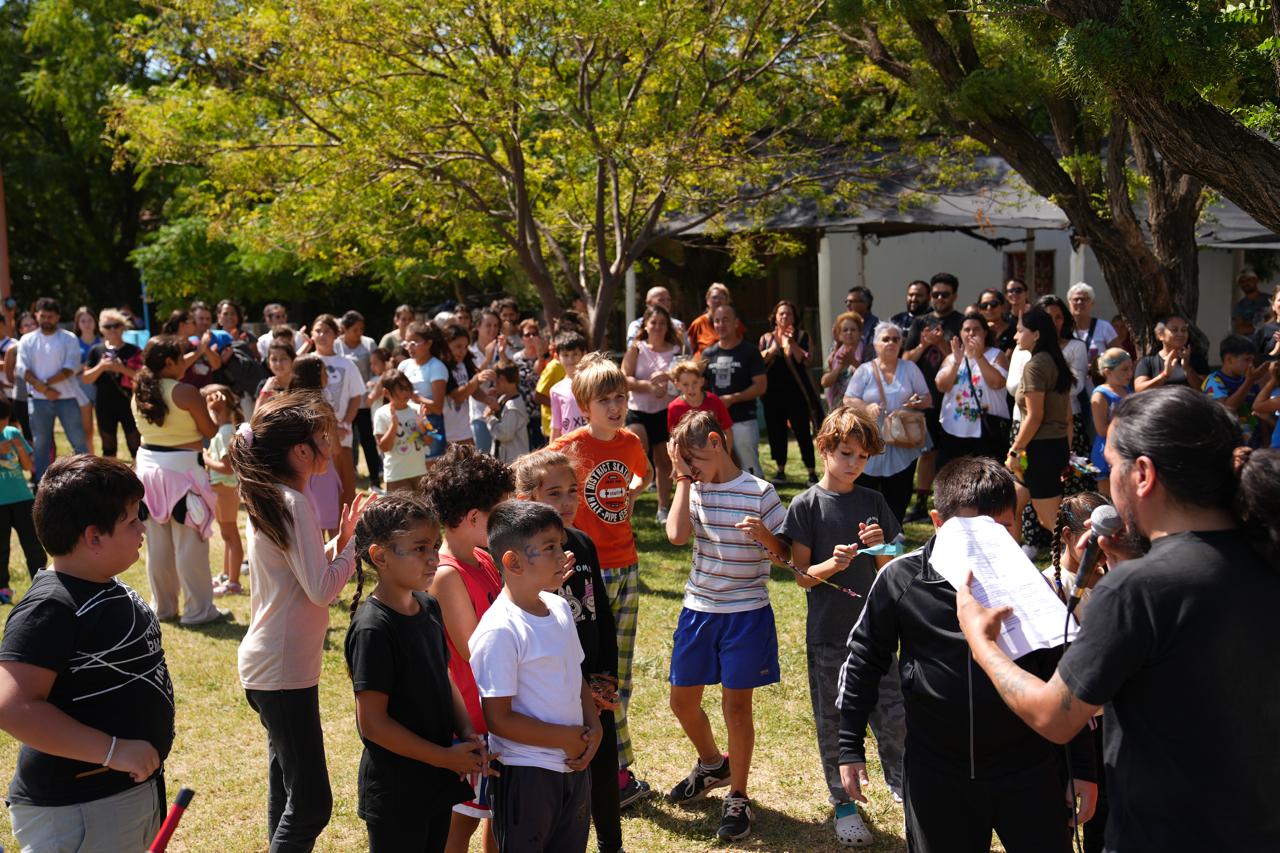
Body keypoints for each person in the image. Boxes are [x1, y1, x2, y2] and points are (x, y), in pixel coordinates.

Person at [955, 387, 1280, 853]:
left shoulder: (1135, 591)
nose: (1109, 485)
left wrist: (982, 642)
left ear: (1142, 474)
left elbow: (1054, 716)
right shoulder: (1265, 556)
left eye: (1111, 468)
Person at [839, 456, 1096, 853]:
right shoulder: (901, 579)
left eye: (1002, 529)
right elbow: (864, 659)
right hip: (938, 774)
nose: (988, 545)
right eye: (974, 533)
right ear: (938, 523)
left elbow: (1063, 675)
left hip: (1029, 770)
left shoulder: (1032, 584)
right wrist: (849, 745)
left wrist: (1082, 768)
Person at [0, 456, 171, 851]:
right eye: (132, 522)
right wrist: (113, 751)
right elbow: (12, 707)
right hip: (78, 809)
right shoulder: (50, 607)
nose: (142, 528)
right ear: (94, 537)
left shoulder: (104, 584)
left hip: (118, 794)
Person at [232, 393, 372, 852]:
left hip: (276, 667)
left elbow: (301, 570)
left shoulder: (278, 498)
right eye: (322, 438)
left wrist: (342, 540)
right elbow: (321, 589)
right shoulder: (291, 502)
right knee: (312, 803)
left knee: (289, 790)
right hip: (282, 671)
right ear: (299, 451)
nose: (330, 446)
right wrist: (354, 546)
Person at [777, 406, 906, 846]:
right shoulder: (806, 505)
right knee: (833, 722)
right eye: (846, 453)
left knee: (895, 717)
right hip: (829, 636)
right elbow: (801, 576)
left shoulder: (873, 501)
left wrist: (881, 546)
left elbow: (890, 568)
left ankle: (906, 788)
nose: (854, 463)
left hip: (876, 636)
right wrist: (833, 563)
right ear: (825, 449)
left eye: (862, 457)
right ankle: (844, 804)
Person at [663, 410, 787, 842]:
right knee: (682, 702)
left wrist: (766, 537)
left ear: (716, 443)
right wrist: (683, 479)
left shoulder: (760, 492)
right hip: (699, 611)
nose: (692, 471)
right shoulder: (693, 489)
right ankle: (713, 764)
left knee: (736, 707)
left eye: (694, 461)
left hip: (746, 614)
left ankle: (738, 795)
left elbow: (785, 555)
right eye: (684, 465)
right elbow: (677, 536)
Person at [345, 494, 484, 852]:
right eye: (420, 548)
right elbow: (373, 724)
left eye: (435, 546)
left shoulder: (429, 605)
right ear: (380, 556)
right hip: (397, 794)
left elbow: (444, 676)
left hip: (436, 782)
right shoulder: (374, 628)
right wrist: (445, 757)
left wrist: (467, 732)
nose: (433, 558)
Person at [549, 354, 653, 809]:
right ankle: (603, 768)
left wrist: (633, 491)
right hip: (585, 570)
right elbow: (531, 482)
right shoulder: (568, 447)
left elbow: (643, 475)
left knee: (618, 673)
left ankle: (614, 767)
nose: (615, 407)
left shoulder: (630, 443)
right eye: (604, 400)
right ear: (584, 406)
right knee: (588, 672)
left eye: (620, 398)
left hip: (627, 567)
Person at [470, 501, 602, 853]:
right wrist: (565, 739)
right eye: (549, 548)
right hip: (526, 775)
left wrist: (594, 726)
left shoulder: (559, 607)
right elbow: (498, 719)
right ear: (513, 562)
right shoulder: (500, 630)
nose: (562, 555)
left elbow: (575, 674)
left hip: (573, 765)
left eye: (560, 545)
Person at [512, 450, 624, 853]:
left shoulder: (583, 543)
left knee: (604, 767)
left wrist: (607, 677)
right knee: (562, 775)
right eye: (554, 493)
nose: (567, 502)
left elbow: (602, 616)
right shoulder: (520, 557)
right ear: (526, 500)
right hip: (553, 687)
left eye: (572, 491)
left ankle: (612, 844)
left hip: (594, 684)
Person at [424, 444, 514, 853]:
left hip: (498, 712)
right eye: (501, 511)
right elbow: (475, 651)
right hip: (474, 722)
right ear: (475, 517)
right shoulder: (447, 575)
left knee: (498, 814)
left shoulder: (482, 557)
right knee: (460, 824)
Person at [130, 336, 227, 626]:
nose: (186, 361)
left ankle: (163, 607)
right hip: (183, 473)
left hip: (148, 470)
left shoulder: (139, 389)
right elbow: (209, 430)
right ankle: (199, 611)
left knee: (157, 544)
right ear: (169, 362)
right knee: (190, 544)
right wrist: (216, 411)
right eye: (182, 357)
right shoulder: (185, 391)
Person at [843, 322, 931, 523]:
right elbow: (848, 399)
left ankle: (895, 528)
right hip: (871, 438)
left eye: (895, 339)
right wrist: (866, 407)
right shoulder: (865, 370)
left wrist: (916, 402)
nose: (890, 343)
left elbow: (927, 398)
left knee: (900, 487)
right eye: (885, 339)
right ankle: (868, 527)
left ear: (901, 343)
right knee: (867, 486)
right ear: (876, 344)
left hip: (902, 438)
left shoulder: (910, 368)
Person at [1007, 306, 1074, 542]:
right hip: (1053, 446)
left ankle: (1092, 558)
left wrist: (1015, 450)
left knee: (1052, 522)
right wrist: (1065, 451)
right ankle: (1012, 558)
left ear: (1036, 334)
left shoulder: (1035, 365)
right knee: (1011, 505)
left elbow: (1035, 416)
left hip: (1040, 450)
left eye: (1020, 331)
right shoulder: (1056, 361)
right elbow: (1067, 417)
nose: (1015, 336)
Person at [902, 273, 964, 522]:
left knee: (949, 456)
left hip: (952, 399)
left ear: (954, 296)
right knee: (926, 453)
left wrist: (940, 344)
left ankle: (948, 504)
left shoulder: (961, 322)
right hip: (923, 398)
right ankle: (920, 503)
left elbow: (962, 358)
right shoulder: (920, 322)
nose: (939, 298)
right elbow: (906, 359)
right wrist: (924, 344)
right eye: (935, 294)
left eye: (944, 294)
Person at [15, 297, 90, 483]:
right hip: (39, 400)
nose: (46, 320)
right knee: (41, 444)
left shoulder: (68, 338)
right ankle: (42, 483)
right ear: (36, 315)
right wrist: (43, 389)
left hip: (67, 398)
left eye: (50, 316)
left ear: (57, 317)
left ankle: (87, 479)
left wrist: (44, 385)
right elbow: (22, 368)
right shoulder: (27, 340)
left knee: (78, 441)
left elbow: (70, 367)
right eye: (43, 316)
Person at [622, 304, 679, 522]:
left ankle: (663, 508)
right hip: (637, 410)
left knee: (664, 460)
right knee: (637, 452)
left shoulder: (676, 350)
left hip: (665, 411)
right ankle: (625, 501)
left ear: (668, 326)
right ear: (645, 325)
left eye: (662, 323)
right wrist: (648, 386)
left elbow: (685, 377)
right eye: (653, 322)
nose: (657, 327)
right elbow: (623, 378)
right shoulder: (636, 348)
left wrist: (668, 379)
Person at [758, 299, 821, 485]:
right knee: (776, 432)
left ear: (794, 317)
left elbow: (806, 360)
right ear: (775, 317)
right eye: (781, 313)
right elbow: (758, 361)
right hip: (772, 395)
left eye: (789, 313)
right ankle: (780, 471)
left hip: (797, 394)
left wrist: (791, 343)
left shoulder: (802, 336)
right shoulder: (766, 338)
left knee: (802, 432)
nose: (785, 316)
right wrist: (772, 350)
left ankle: (811, 472)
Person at [935, 311, 1010, 467]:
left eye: (976, 329)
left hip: (987, 431)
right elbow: (942, 386)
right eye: (967, 330)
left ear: (985, 332)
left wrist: (979, 356)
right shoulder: (951, 358)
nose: (971, 333)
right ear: (960, 333)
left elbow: (997, 383)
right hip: (954, 430)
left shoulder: (996, 355)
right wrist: (956, 363)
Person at [702, 303, 767, 477]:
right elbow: (701, 386)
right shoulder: (708, 354)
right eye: (717, 321)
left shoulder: (750, 351)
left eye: (725, 320)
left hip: (743, 419)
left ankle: (756, 494)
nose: (721, 325)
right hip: (715, 422)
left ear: (736, 323)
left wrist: (732, 398)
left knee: (749, 468)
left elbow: (761, 386)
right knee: (719, 470)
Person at [312, 315, 366, 511]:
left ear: (336, 335)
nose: (322, 335)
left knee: (344, 488)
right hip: (315, 436)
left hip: (343, 436)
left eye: (327, 331)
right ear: (311, 334)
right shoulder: (307, 362)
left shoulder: (347, 364)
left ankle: (346, 527)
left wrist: (344, 424)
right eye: (318, 331)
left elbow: (356, 396)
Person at [202, 385, 246, 597]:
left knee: (231, 534)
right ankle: (227, 575)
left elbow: (227, 467)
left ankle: (234, 582)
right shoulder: (223, 432)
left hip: (226, 490)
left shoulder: (225, 433)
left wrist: (205, 458)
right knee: (226, 534)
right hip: (221, 490)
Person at [0, 398, 44, 605]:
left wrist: (19, 448)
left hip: (22, 498)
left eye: (5, 419)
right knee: (1, 547)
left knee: (33, 544)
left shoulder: (12, 433)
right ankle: (3, 589)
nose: (3, 423)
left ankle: (42, 584)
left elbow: (27, 467)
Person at [82, 308, 142, 459]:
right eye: (107, 326)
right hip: (104, 404)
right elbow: (86, 379)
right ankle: (111, 474)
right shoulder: (96, 351)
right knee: (108, 447)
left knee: (135, 445)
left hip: (129, 403)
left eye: (116, 325)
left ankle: (139, 474)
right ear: (101, 329)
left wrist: (121, 368)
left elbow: (143, 378)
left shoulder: (133, 350)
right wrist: (101, 366)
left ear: (123, 327)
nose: (112, 330)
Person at [336, 310, 382, 491]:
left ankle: (375, 480)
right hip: (343, 403)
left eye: (361, 329)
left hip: (363, 402)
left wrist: (373, 391)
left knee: (368, 441)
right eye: (355, 330)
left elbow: (376, 368)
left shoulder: (369, 343)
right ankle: (345, 477)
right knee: (345, 441)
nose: (359, 333)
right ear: (344, 329)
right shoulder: (336, 345)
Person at [1202, 334, 1269, 446]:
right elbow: (1227, 409)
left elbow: (1261, 414)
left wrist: (1266, 442)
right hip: (1229, 445)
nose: (1251, 365)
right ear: (1229, 359)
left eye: (1252, 360)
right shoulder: (1213, 381)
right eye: (1246, 360)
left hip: (1255, 444)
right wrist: (1249, 382)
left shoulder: (1250, 380)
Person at [373, 368, 430, 493]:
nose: (406, 392)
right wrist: (394, 426)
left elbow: (429, 441)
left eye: (407, 388)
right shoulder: (381, 414)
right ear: (386, 392)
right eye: (401, 389)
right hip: (396, 475)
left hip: (420, 472)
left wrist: (421, 427)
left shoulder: (417, 410)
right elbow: (384, 447)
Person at [401, 322, 449, 465]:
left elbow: (438, 408)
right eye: (407, 342)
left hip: (430, 424)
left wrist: (417, 398)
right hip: (407, 423)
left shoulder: (436, 367)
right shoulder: (404, 365)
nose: (409, 347)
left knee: (430, 468)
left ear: (428, 343)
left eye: (414, 343)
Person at [442, 323, 494, 449]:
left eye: (465, 347)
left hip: (465, 432)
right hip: (446, 434)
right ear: (446, 345)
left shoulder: (464, 363)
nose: (462, 351)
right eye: (458, 346)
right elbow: (457, 397)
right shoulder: (442, 367)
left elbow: (473, 390)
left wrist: (488, 400)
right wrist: (476, 380)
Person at [1089, 349, 1133, 497]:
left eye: (1131, 368)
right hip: (1108, 451)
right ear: (1108, 372)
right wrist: (1128, 422)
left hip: (1125, 447)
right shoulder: (1100, 395)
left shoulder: (1126, 389)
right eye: (1124, 369)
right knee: (1109, 498)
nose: (1130, 373)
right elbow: (1101, 430)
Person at [1134, 314, 1206, 391]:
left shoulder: (1197, 360)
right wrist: (1165, 375)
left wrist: (1187, 369)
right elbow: (1139, 390)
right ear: (1160, 335)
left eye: (1184, 330)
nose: (1180, 334)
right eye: (1174, 330)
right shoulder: (1147, 362)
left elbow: (1205, 390)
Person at [667, 358, 733, 436]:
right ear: (677, 385)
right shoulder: (674, 407)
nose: (691, 388)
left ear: (702, 381)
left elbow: (727, 429)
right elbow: (673, 436)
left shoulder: (714, 400)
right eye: (685, 384)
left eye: (695, 382)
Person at [512, 319, 550, 449]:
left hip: (541, 411)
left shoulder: (547, 357)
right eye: (527, 335)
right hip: (523, 411)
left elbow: (539, 372)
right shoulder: (516, 358)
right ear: (521, 338)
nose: (531, 337)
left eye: (534, 334)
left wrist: (540, 355)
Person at [484, 363, 529, 464]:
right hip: (505, 458)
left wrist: (489, 418)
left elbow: (505, 434)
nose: (494, 385)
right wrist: (493, 402)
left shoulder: (513, 406)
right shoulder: (504, 398)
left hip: (513, 461)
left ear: (502, 379)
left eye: (495, 381)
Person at [548, 330, 589, 440]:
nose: (570, 359)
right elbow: (556, 427)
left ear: (583, 354)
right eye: (565, 355)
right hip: (570, 445)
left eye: (575, 354)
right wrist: (551, 450)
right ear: (557, 357)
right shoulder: (555, 390)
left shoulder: (593, 382)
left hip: (594, 443)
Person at [822, 311, 867, 409]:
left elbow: (873, 378)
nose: (849, 333)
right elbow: (824, 382)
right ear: (839, 335)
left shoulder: (868, 352)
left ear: (860, 332)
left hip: (862, 407)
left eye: (853, 329)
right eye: (845, 330)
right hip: (838, 407)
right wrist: (840, 367)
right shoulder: (834, 355)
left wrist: (853, 362)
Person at [687, 283, 746, 357]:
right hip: (703, 363)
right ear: (707, 301)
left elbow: (742, 348)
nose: (718, 301)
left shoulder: (734, 323)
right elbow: (688, 350)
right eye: (714, 298)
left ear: (727, 301)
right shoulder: (698, 324)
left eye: (721, 298)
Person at [625, 286, 689, 352]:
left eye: (668, 300)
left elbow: (688, 352)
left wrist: (680, 340)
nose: (667, 303)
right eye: (661, 300)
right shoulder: (636, 325)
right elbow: (631, 349)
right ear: (649, 303)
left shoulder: (678, 325)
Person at [1067, 282, 1117, 366]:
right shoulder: (1064, 329)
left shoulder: (1104, 327)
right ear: (1069, 303)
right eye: (1076, 299)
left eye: (1084, 299)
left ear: (1092, 303)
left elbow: (1118, 357)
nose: (1079, 302)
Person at [74, 306, 101, 456]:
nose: (87, 324)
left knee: (105, 427)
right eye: (83, 321)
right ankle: (91, 457)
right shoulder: (73, 343)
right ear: (78, 324)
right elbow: (71, 369)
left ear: (95, 322)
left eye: (90, 320)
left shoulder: (103, 341)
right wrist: (85, 366)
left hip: (101, 387)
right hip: (82, 388)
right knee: (87, 429)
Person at [1232, 268, 1271, 336]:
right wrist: (1264, 324)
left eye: (1248, 280)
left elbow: (1276, 320)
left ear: (1256, 280)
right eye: (1242, 282)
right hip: (1250, 342)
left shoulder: (1270, 299)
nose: (1245, 283)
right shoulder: (1239, 306)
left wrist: (1249, 325)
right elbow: (1240, 329)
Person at [257, 340, 296, 405]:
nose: (278, 364)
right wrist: (264, 393)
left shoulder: (300, 383)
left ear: (292, 360)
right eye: (274, 359)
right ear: (268, 363)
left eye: (283, 358)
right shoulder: (264, 385)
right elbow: (257, 411)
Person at [977, 288, 1015, 355]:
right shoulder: (975, 330)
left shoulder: (1013, 330)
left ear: (1003, 307)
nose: (989, 308)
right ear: (979, 309)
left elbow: (1007, 359)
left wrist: (993, 337)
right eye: (984, 305)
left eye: (993, 304)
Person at [844, 286, 879, 351]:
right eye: (846, 301)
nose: (848, 304)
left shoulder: (876, 326)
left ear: (866, 304)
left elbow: (871, 353)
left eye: (852, 301)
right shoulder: (844, 324)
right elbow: (832, 351)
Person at [1251, 289, 1280, 361]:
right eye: (1279, 300)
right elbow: (1254, 361)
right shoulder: (1263, 330)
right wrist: (1276, 350)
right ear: (1273, 306)